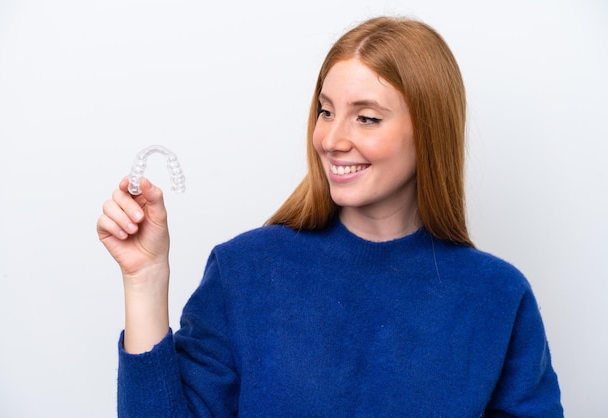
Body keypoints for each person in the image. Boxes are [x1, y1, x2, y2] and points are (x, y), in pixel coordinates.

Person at [97, 16, 563, 417]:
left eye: (367, 118)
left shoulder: (498, 296)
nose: (331, 139)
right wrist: (145, 278)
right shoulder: (246, 271)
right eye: (326, 111)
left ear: (430, 131)